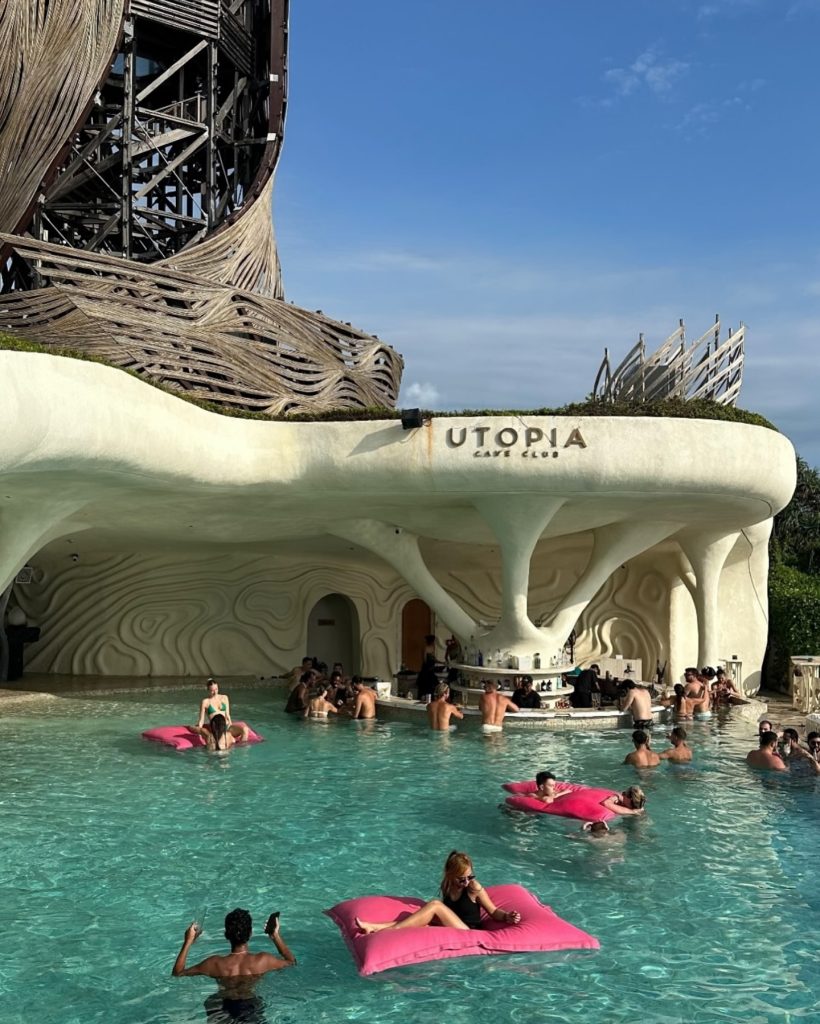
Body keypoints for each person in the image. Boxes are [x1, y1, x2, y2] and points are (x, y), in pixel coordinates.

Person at [354, 850, 521, 934]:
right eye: (461, 879)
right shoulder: (447, 885)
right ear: (450, 875)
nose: (466, 882)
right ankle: (373, 927)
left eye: (469, 876)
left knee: (435, 905)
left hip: (469, 931)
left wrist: (507, 916)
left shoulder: (473, 888)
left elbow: (492, 911)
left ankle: (388, 933)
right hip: (452, 925)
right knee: (415, 917)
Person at [172, 907, 295, 1020]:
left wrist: (188, 941)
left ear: (226, 935)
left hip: (221, 1007)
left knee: (211, 1001)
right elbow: (291, 962)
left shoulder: (214, 963)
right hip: (250, 1007)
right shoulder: (263, 960)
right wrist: (275, 935)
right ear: (250, 933)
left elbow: (178, 973)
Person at [196, 679, 247, 743]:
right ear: (208, 690)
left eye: (216, 689)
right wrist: (199, 732)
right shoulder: (205, 702)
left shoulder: (224, 698)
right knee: (230, 740)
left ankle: (241, 748)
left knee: (245, 729)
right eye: (212, 690)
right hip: (216, 729)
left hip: (227, 726)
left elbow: (227, 715)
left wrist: (230, 724)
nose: (215, 692)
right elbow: (201, 720)